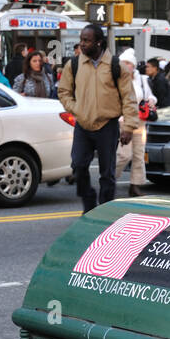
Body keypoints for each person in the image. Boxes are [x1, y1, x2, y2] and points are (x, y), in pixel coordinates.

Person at [58, 22, 139, 213]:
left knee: (107, 173)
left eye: (86, 40)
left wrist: (128, 127)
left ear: (99, 43)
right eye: (81, 40)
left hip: (107, 125)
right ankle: (88, 202)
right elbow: (64, 92)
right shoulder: (74, 64)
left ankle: (104, 210)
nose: (82, 44)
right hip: (83, 125)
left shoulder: (116, 66)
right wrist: (76, 109)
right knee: (78, 166)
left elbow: (129, 98)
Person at [115, 48, 154, 197]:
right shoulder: (116, 79)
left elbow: (150, 96)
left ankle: (135, 185)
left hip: (140, 121)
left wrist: (151, 101)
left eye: (128, 63)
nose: (126, 66)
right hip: (123, 121)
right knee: (124, 155)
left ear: (134, 65)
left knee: (139, 154)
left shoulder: (142, 79)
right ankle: (109, 179)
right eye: (123, 63)